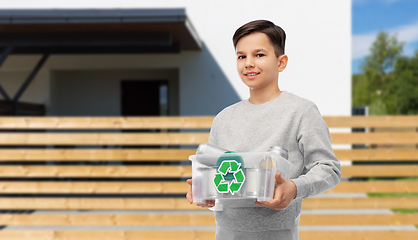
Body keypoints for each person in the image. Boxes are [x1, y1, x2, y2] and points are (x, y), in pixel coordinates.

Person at [186, 19, 341, 240]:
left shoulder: (301, 111)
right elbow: (215, 173)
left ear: (281, 62)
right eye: (242, 56)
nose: (248, 63)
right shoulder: (223, 119)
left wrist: (294, 188)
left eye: (259, 55)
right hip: (226, 234)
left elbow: (329, 168)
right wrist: (204, 189)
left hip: (278, 234)